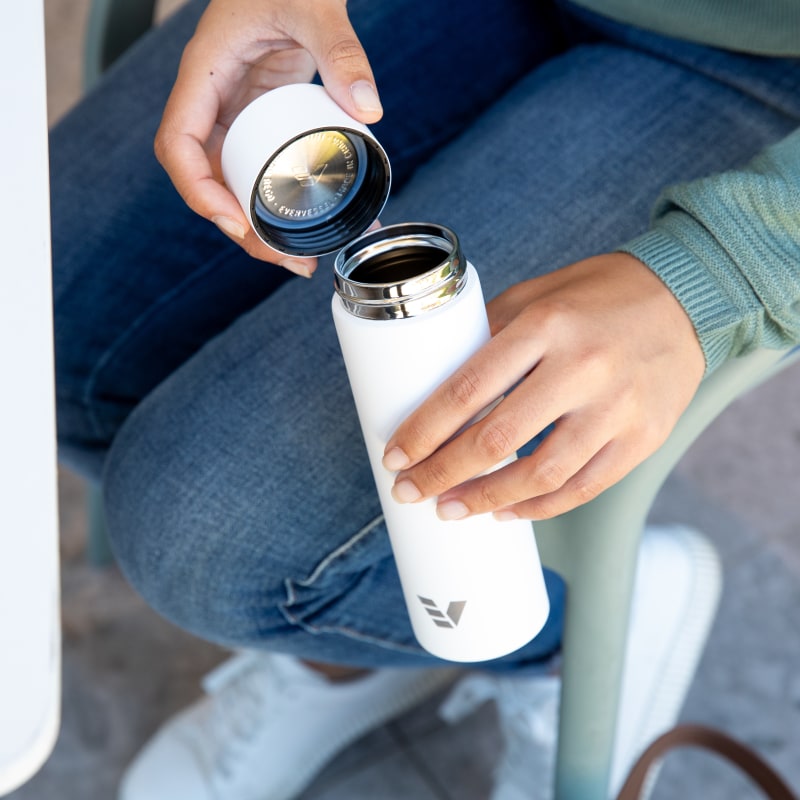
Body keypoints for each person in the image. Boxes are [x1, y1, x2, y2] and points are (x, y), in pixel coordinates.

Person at [51, 0, 800, 797]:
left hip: (764, 60)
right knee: (39, 322)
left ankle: (569, 629)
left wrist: (728, 264)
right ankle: (368, 623)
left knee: (204, 543)